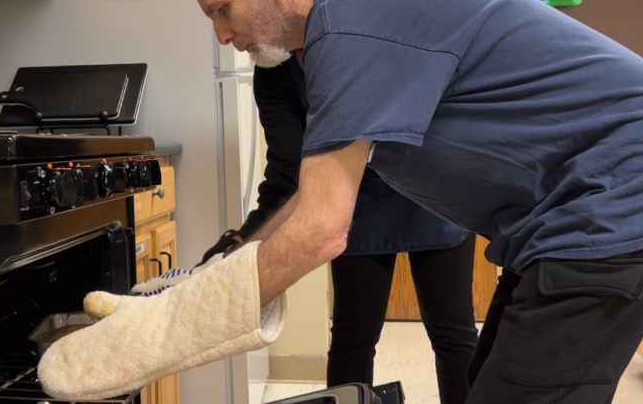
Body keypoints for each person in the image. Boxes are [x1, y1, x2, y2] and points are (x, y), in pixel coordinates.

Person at [37, 0, 643, 403]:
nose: (222, 33)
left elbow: (324, 227)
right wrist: (204, 275)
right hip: (579, 203)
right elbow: (300, 194)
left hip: (621, 189)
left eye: (222, 9)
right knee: (497, 376)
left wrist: (158, 335)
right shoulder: (344, 18)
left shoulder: (349, 20)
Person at [197, 51, 478, 401]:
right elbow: (287, 175)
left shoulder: (358, 31)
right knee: (353, 335)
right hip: (355, 199)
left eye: (224, 11)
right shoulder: (274, 74)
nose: (225, 36)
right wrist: (243, 240)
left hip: (432, 179)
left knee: (453, 331)